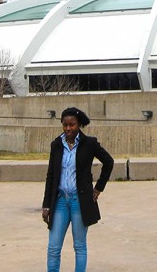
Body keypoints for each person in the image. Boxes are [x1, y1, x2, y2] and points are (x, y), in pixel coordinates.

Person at [42, 107, 114, 272]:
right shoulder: (57, 145)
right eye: (65, 125)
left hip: (79, 202)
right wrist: (46, 205)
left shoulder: (89, 144)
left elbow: (109, 162)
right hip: (60, 201)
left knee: (79, 246)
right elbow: (51, 176)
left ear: (79, 124)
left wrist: (98, 188)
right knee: (53, 247)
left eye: (72, 125)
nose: (68, 129)